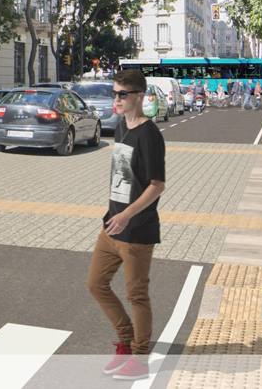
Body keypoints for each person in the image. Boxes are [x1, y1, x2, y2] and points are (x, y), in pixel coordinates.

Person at [87, 69, 166, 381]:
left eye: (122, 94)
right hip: (112, 225)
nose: (116, 99)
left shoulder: (150, 136)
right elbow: (122, 176)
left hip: (137, 231)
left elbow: (156, 185)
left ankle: (140, 357)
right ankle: (125, 340)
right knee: (95, 284)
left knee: (137, 296)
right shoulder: (121, 127)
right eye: (114, 93)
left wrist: (127, 215)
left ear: (140, 97)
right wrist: (112, 215)